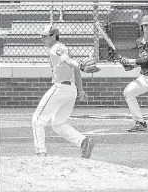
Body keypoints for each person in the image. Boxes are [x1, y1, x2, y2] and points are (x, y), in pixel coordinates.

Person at [32, 24, 96, 158]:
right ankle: (84, 142)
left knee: (37, 119)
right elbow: (75, 68)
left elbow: (68, 61)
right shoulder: (65, 48)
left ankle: (41, 152)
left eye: (44, 36)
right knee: (58, 123)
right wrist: (81, 90)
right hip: (71, 90)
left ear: (53, 36)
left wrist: (77, 64)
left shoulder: (55, 49)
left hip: (60, 88)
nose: (42, 38)